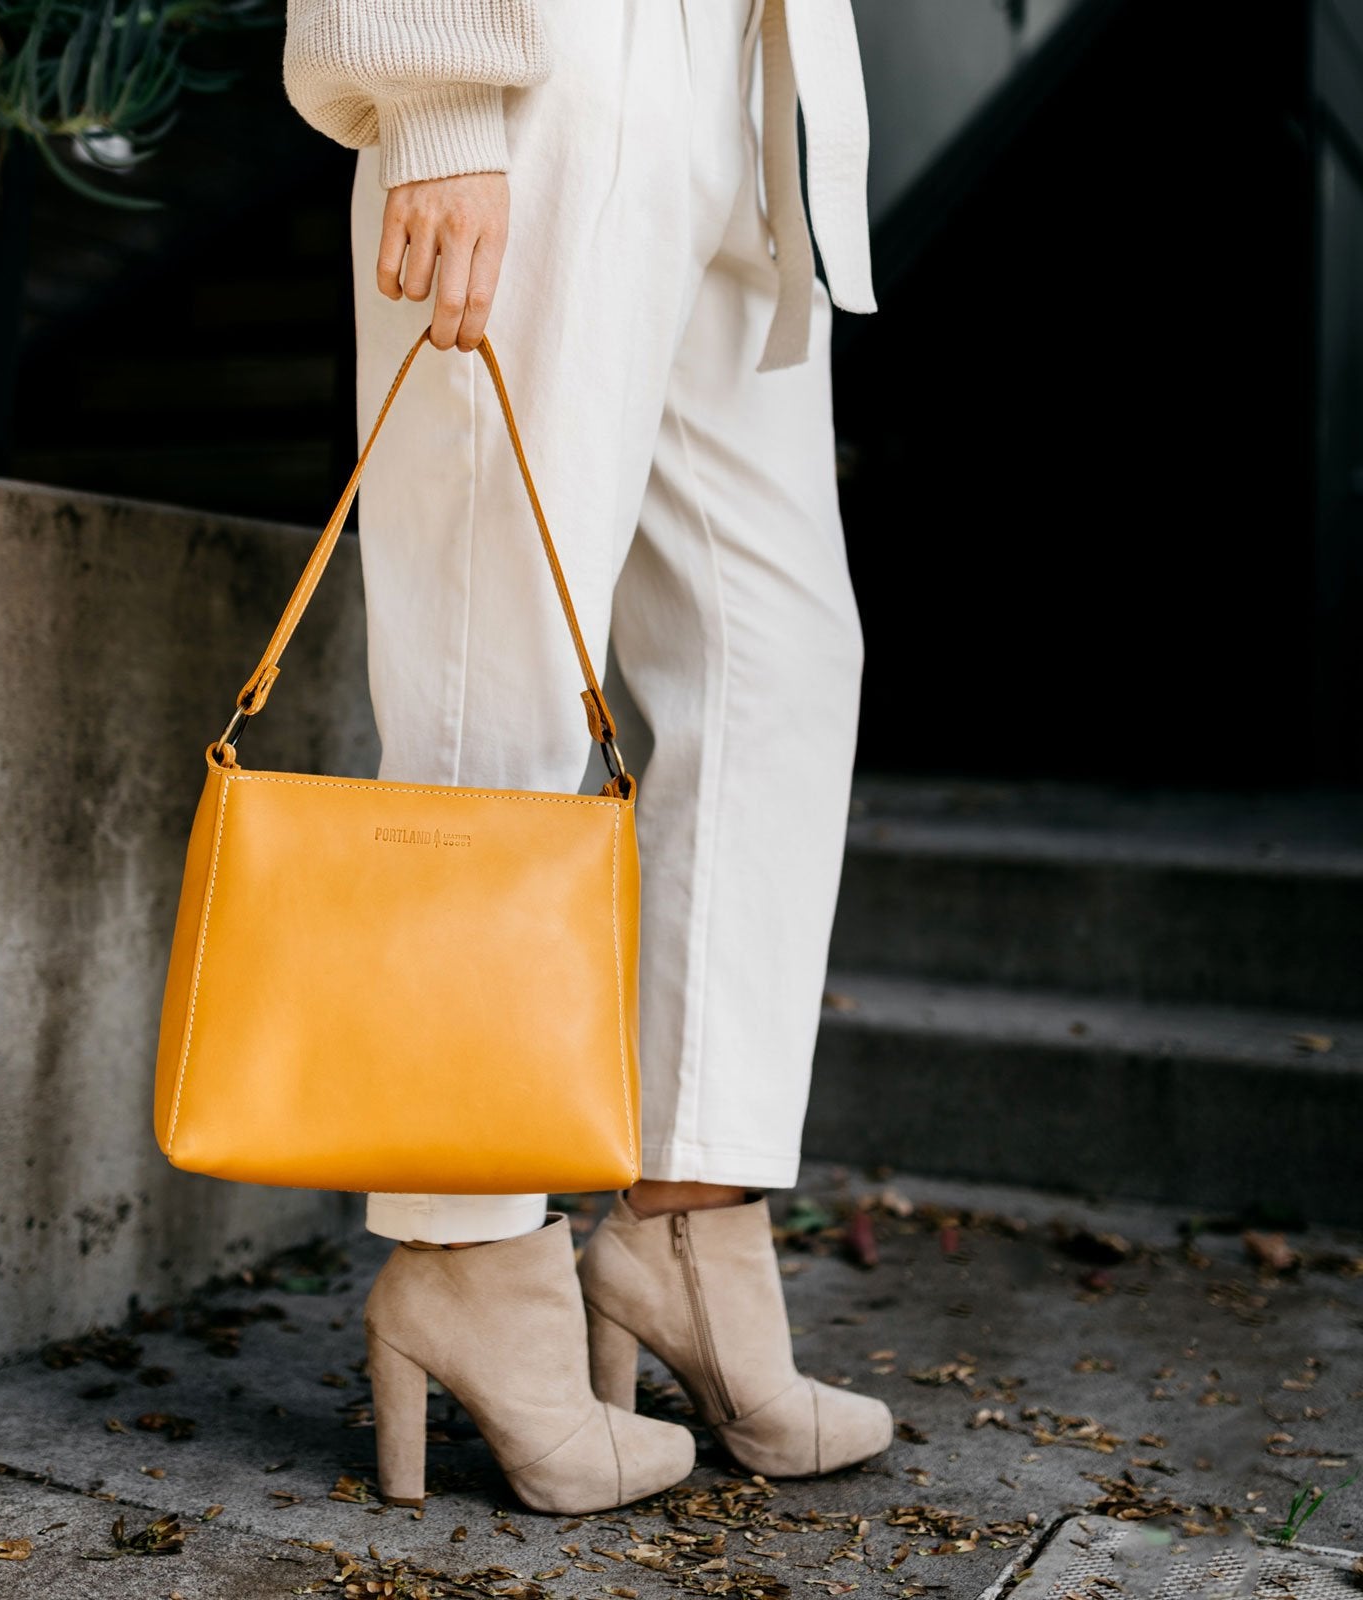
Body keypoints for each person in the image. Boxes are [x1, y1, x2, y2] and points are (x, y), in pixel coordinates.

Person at [280, 0, 892, 1515]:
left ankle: (689, 1226)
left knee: (782, 658)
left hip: (748, 76)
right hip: (542, 49)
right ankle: (474, 1257)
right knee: (497, 675)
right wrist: (433, 101)